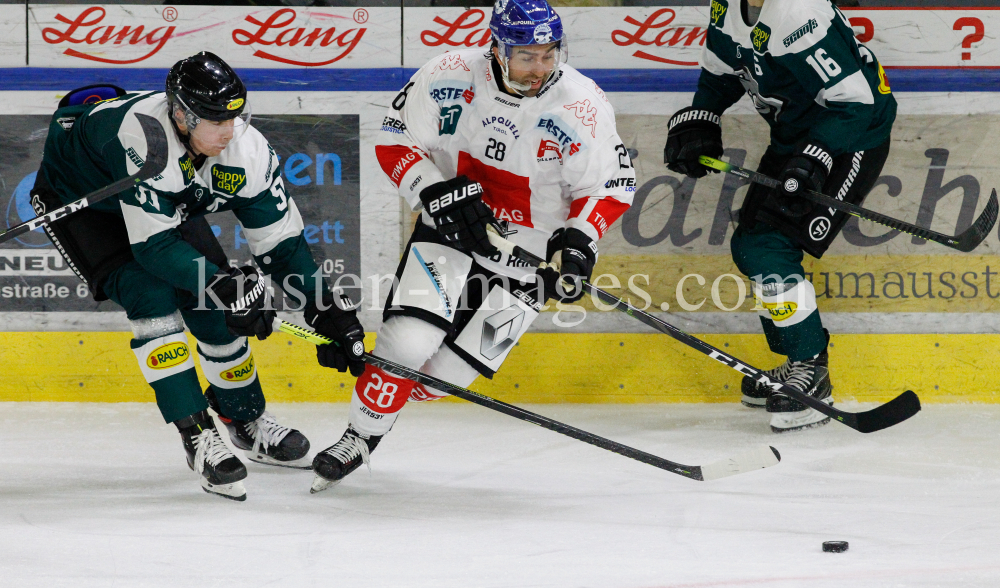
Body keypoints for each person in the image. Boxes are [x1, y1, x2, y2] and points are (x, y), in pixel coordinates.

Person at [309, 0, 635, 492]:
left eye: (549, 55)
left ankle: (389, 394)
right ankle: (360, 436)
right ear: (497, 49)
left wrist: (579, 243)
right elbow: (394, 137)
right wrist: (433, 191)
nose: (539, 69)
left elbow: (610, 185)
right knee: (407, 344)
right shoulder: (449, 74)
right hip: (452, 227)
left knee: (443, 378)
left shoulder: (581, 104)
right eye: (526, 57)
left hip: (530, 255)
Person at [32, 52, 367, 500]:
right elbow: (152, 250)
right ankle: (195, 433)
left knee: (214, 300)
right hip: (84, 202)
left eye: (233, 118)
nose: (227, 132)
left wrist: (327, 313)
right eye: (214, 121)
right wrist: (225, 286)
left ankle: (244, 418)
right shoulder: (145, 140)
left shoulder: (247, 151)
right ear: (180, 114)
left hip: (160, 201)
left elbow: (283, 249)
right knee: (150, 292)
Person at [664, 0, 896, 432]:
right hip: (797, 141)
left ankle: (812, 372)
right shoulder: (727, 7)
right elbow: (721, 70)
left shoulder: (798, 11)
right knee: (752, 244)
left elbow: (858, 104)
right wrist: (701, 119)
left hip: (851, 138)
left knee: (770, 246)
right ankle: (799, 364)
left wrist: (816, 158)